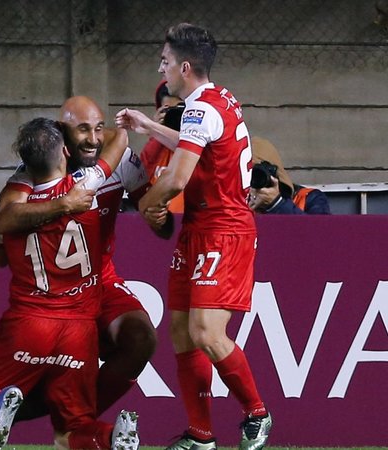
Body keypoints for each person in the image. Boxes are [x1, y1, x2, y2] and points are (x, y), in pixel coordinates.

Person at [0, 118, 139, 450]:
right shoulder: (87, 189)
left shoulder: (13, 212)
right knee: (73, 427)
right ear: (65, 151)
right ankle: (110, 437)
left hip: (29, 325)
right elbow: (121, 138)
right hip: (79, 332)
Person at [115, 23, 272, 450]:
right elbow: (192, 143)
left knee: (206, 331)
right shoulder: (216, 100)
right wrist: (149, 125)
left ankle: (257, 414)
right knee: (182, 332)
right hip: (200, 229)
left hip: (224, 228)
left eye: (165, 62)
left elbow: (178, 177)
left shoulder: (200, 108)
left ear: (184, 67)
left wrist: (150, 202)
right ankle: (201, 436)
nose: (161, 68)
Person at [0, 96, 171, 422]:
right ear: (62, 133)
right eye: (83, 130)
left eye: (99, 128)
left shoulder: (123, 162)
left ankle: (74, 422)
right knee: (51, 378)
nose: (92, 139)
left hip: (100, 281)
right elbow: (3, 220)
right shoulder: (38, 169)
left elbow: (156, 215)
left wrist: (159, 214)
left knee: (140, 338)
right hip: (51, 294)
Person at [248, 136, 331, 214]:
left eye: (255, 175)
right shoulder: (238, 203)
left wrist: (277, 203)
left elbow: (320, 228)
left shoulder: (309, 198)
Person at [139, 80, 185, 214]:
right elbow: (142, 175)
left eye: (179, 110)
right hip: (162, 224)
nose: (175, 115)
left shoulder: (204, 144)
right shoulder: (156, 146)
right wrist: (157, 130)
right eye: (168, 110)